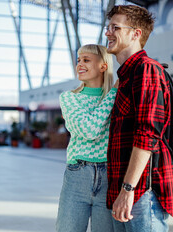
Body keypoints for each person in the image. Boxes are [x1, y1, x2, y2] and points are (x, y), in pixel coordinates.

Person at [104, 5, 173, 231]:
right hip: (125, 193)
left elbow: (147, 135)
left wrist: (127, 189)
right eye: (108, 27)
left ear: (136, 34)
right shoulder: (126, 76)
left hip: (143, 193)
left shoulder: (147, 70)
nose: (108, 33)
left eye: (115, 27)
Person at [56, 44, 118, 232]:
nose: (79, 65)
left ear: (103, 66)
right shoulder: (68, 98)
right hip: (78, 175)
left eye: (86, 60)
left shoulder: (118, 98)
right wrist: (113, 94)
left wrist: (114, 94)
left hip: (110, 176)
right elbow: (89, 130)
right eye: (78, 60)